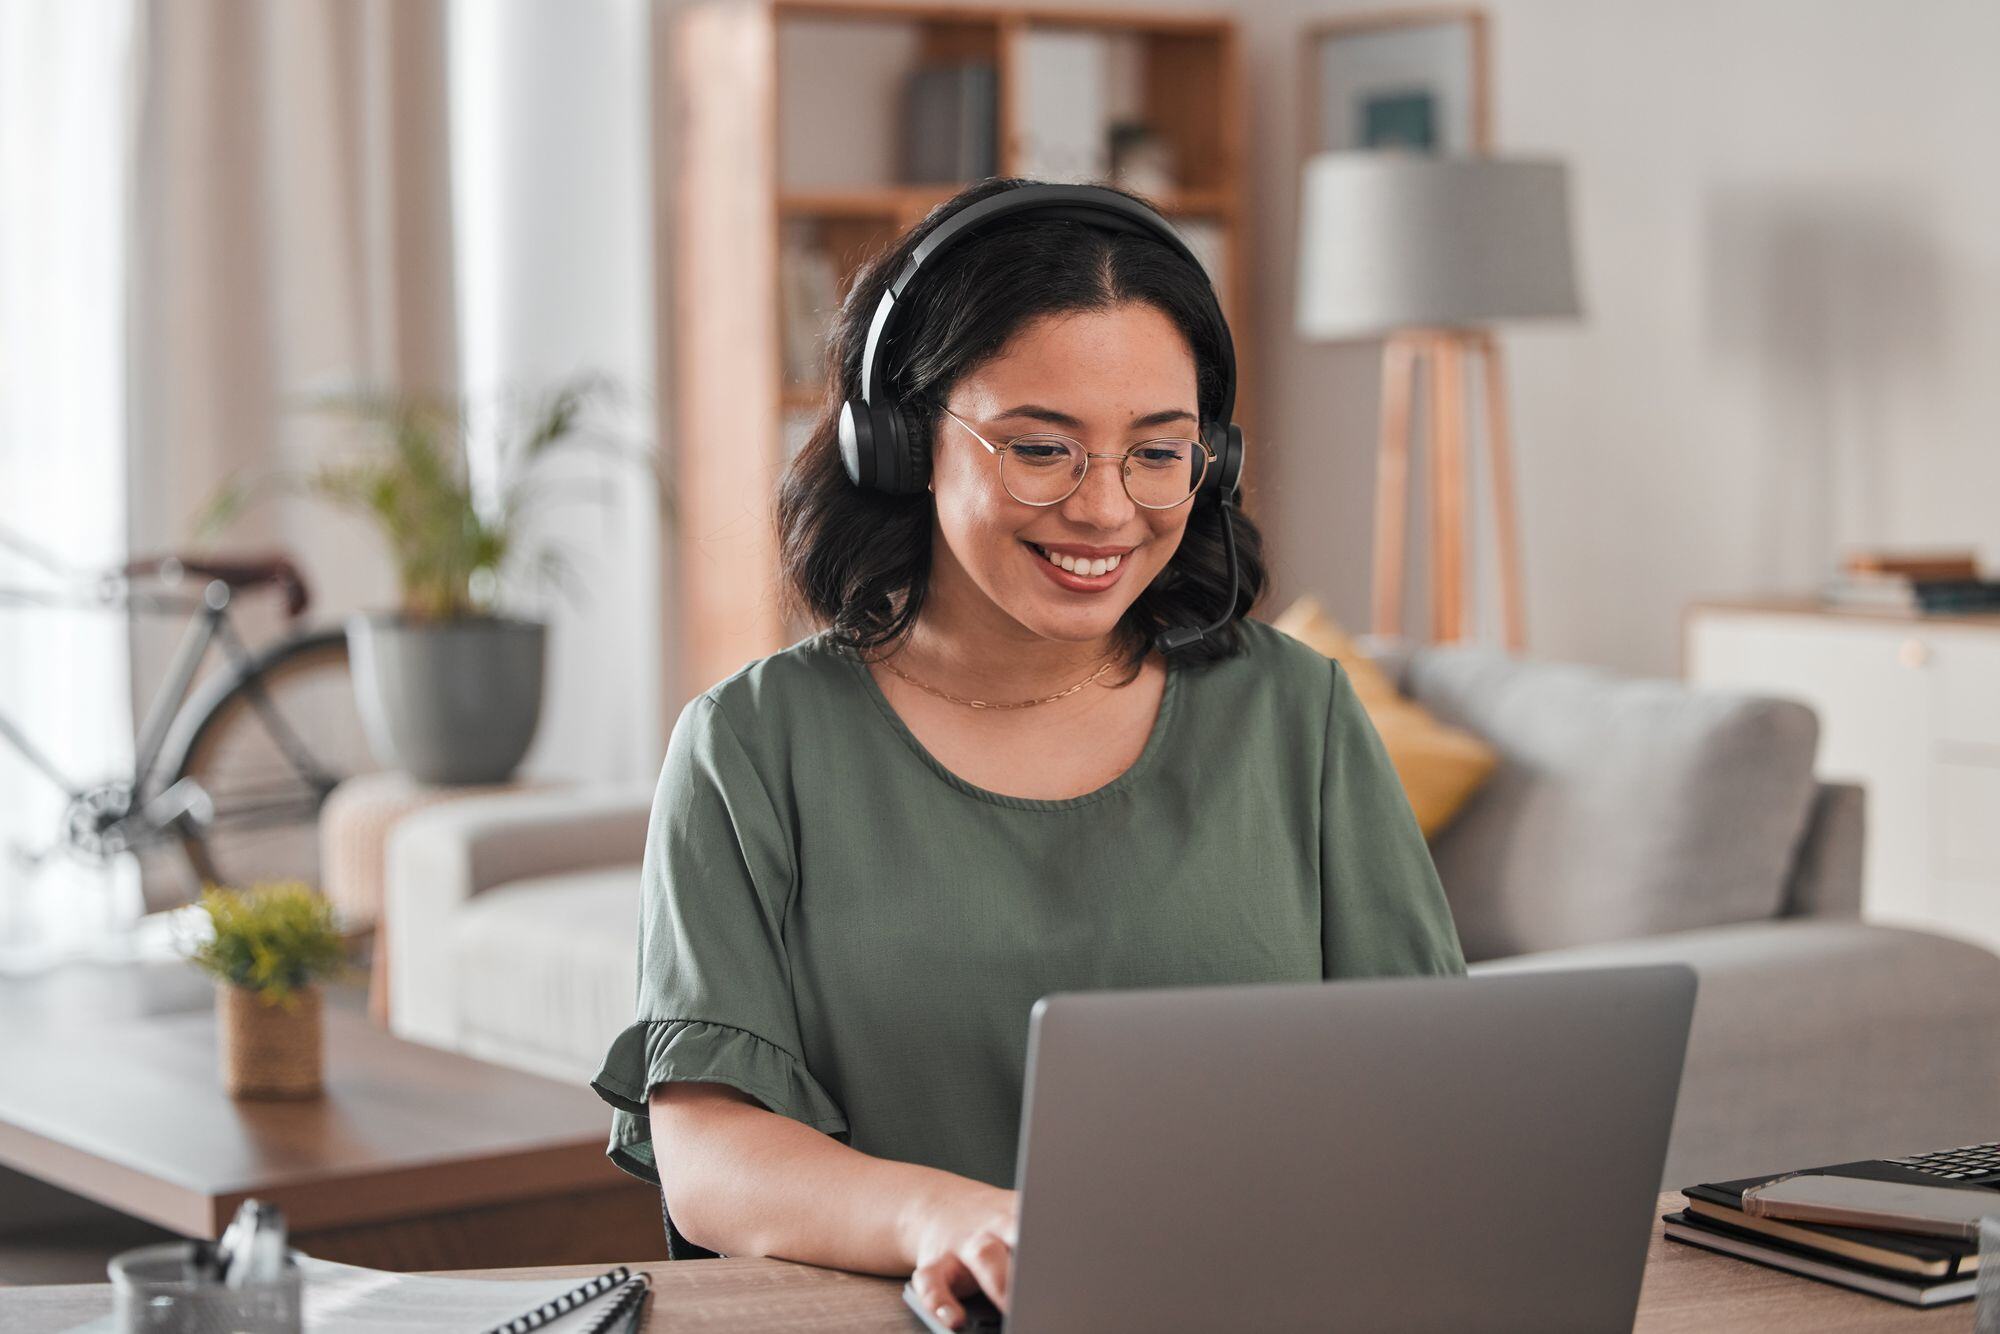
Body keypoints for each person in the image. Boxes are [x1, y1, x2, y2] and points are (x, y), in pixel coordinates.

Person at [589, 177, 1465, 1329]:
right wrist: (944, 1219)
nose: (1106, 510)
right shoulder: (752, 745)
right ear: (898, 441)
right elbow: (709, 1153)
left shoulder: (1295, 714)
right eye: (1041, 448)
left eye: (1158, 453)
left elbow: (1436, 1093)